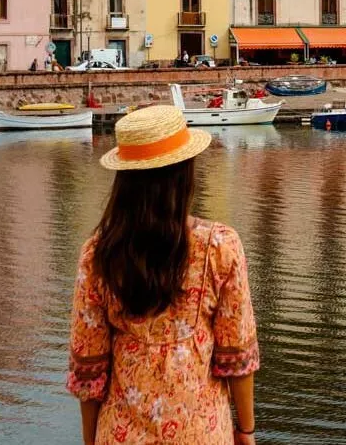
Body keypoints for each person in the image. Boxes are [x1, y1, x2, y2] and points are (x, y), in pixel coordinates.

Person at [66, 106, 260, 444]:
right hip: (202, 433)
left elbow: (89, 365)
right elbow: (237, 356)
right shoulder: (219, 247)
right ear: (185, 173)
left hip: (121, 434)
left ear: (124, 180)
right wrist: (245, 430)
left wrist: (90, 440)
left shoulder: (98, 255)